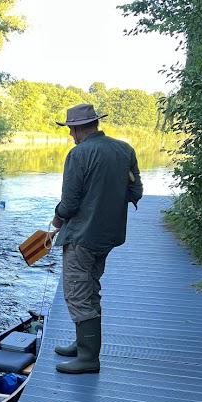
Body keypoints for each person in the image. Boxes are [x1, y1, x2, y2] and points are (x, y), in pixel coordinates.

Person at [51, 103, 143, 374]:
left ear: (78, 128)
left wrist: (56, 221)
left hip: (82, 236)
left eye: (71, 130)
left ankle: (89, 358)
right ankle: (82, 345)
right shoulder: (125, 149)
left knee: (78, 292)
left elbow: (68, 203)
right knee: (90, 286)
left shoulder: (78, 154)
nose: (70, 135)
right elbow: (135, 191)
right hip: (108, 235)